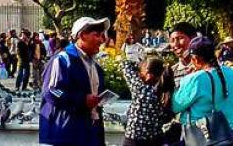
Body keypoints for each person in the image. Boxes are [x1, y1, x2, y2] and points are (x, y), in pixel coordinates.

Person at [39, 16, 110, 146]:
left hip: (89, 132)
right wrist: (81, 99)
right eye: (97, 35)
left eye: (102, 35)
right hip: (66, 133)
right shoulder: (62, 59)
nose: (102, 40)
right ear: (82, 35)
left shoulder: (95, 66)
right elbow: (51, 91)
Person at [171, 36, 233, 141]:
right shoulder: (232, 74)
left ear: (195, 59)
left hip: (201, 136)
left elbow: (175, 106)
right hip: (228, 134)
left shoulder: (196, 79)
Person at [120, 55, 170, 146]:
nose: (139, 73)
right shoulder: (165, 92)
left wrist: (139, 64)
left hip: (134, 138)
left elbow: (124, 65)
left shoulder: (140, 88)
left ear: (147, 73)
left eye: (141, 71)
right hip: (156, 138)